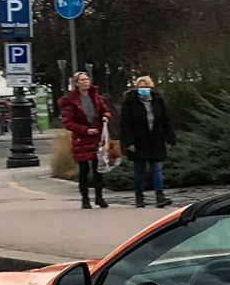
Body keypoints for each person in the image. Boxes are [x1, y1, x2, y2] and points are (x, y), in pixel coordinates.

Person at [117, 73, 179, 208]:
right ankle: (139, 196)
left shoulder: (157, 100)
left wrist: (170, 136)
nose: (143, 89)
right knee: (139, 169)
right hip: (138, 141)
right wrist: (129, 142)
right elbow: (125, 124)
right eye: (140, 87)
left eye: (146, 86)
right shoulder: (130, 102)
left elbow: (165, 119)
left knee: (157, 168)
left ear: (150, 87)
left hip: (156, 139)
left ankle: (160, 195)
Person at [58, 71, 110, 209]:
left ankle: (99, 197)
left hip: (97, 138)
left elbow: (106, 110)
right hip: (82, 139)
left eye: (87, 79)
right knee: (83, 170)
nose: (86, 82)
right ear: (76, 83)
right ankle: (85, 199)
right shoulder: (71, 102)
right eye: (82, 80)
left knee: (99, 169)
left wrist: (105, 116)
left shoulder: (96, 97)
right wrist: (84, 130)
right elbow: (68, 123)